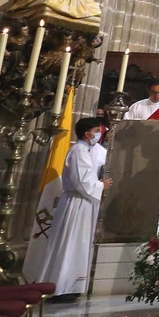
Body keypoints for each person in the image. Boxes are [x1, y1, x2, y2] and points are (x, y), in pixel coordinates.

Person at [38, 118, 110, 298]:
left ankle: (72, 285)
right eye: (96, 130)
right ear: (87, 134)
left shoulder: (85, 150)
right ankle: (63, 287)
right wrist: (102, 185)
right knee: (71, 242)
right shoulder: (78, 151)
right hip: (77, 203)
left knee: (79, 242)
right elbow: (82, 181)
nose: (99, 134)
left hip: (83, 203)